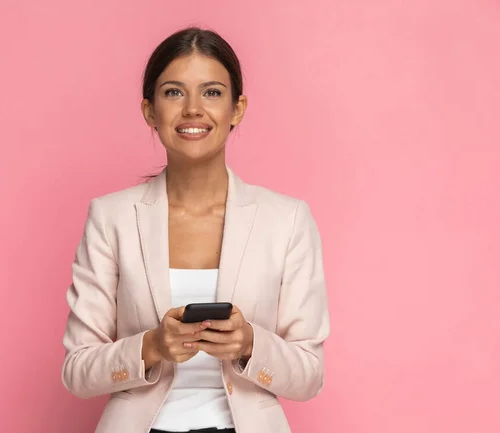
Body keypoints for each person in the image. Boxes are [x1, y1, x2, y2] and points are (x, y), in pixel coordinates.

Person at [61, 27, 330, 433]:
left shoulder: (287, 220)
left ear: (237, 109)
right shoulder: (110, 217)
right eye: (173, 92)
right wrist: (150, 346)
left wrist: (248, 344)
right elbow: (77, 370)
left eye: (212, 92)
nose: (192, 109)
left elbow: (309, 375)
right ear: (150, 111)